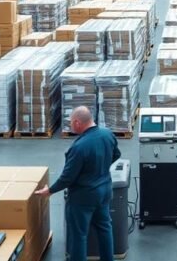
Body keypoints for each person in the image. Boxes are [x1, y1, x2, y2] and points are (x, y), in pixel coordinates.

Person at [34, 106, 120, 261]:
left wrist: (50, 191)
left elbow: (68, 177)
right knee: (105, 228)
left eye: (71, 123)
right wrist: (100, 168)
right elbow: (116, 154)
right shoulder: (108, 135)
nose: (70, 126)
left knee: (79, 235)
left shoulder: (79, 147)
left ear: (78, 123)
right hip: (105, 190)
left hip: (83, 197)